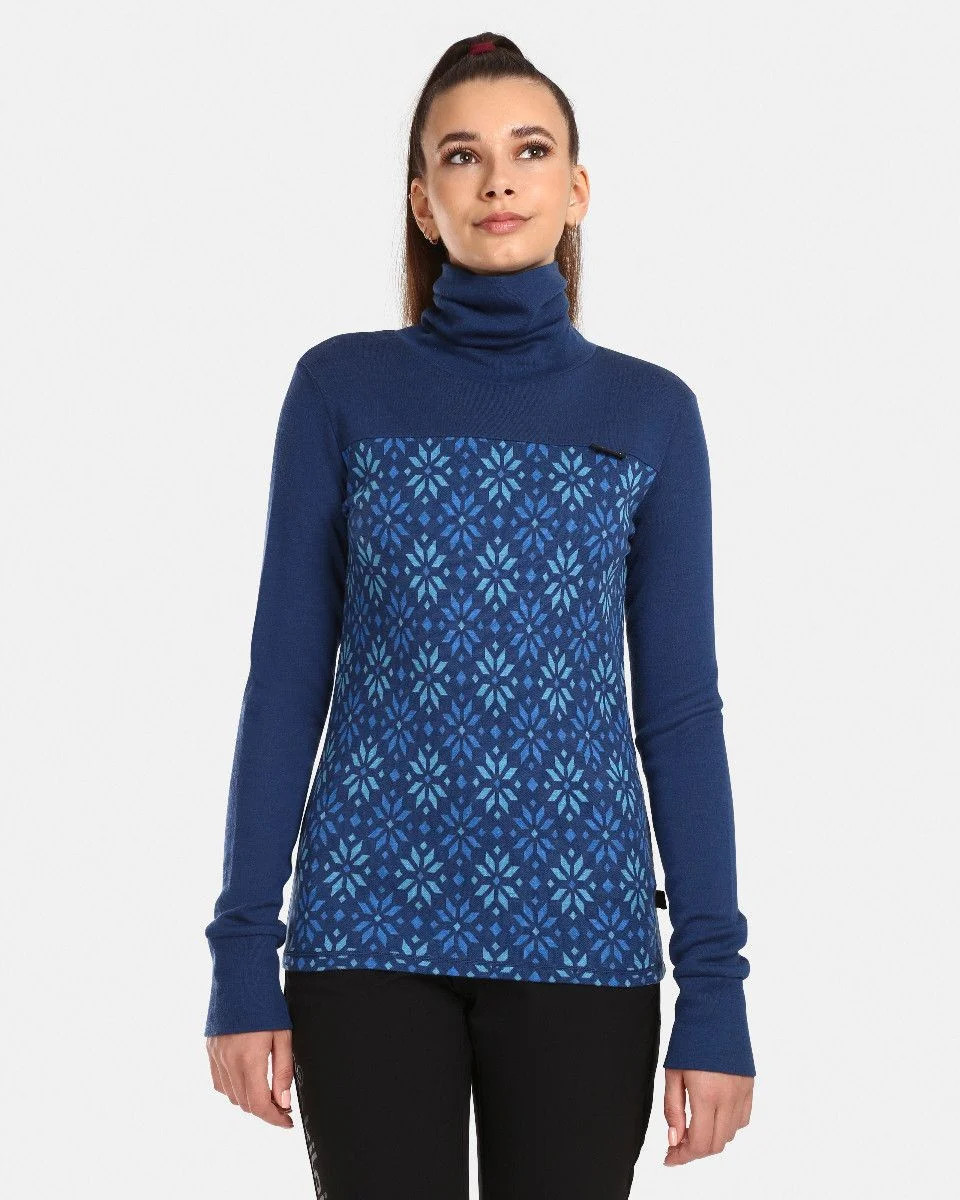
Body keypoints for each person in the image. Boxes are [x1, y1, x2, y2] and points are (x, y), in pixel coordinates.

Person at [204, 32, 756, 1199]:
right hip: (366, 930)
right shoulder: (339, 390)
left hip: (584, 932)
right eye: (461, 155)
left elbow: (680, 714)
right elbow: (286, 681)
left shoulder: (650, 413)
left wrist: (716, 990)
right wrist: (242, 953)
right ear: (422, 200)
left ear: (577, 189)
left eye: (529, 150)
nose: (497, 179)